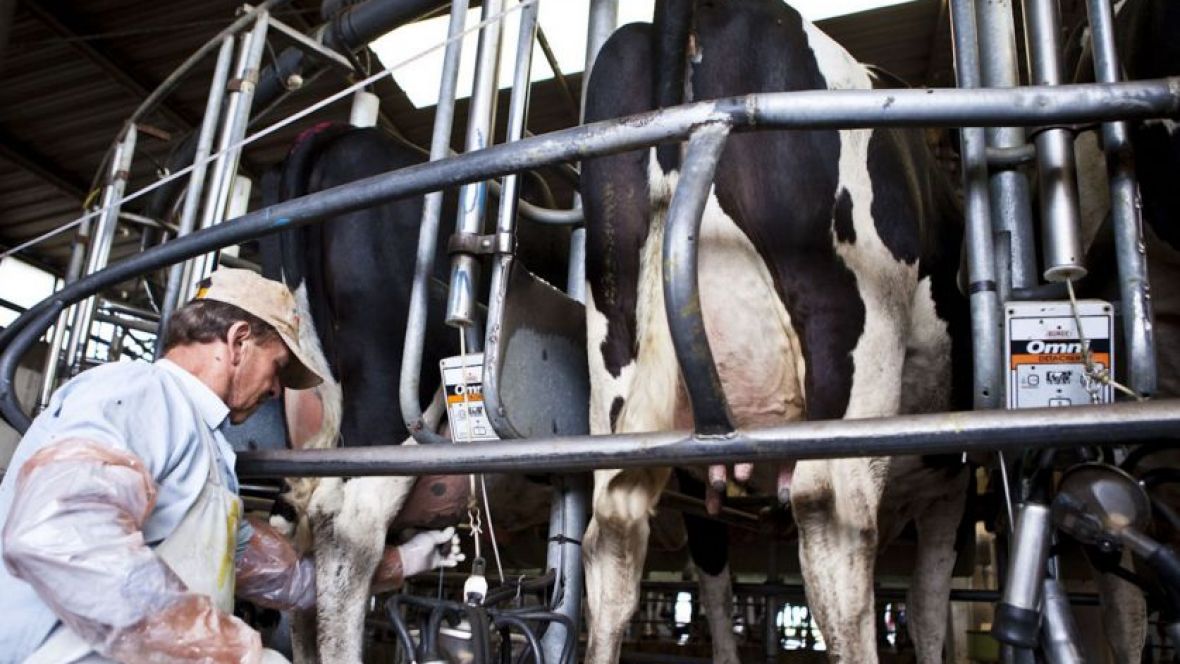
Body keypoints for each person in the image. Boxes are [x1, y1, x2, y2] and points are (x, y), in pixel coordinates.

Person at [0, 269, 462, 664]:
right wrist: (229, 651)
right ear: (239, 341)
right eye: (278, 369)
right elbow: (59, 536)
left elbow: (290, 581)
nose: (278, 392)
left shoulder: (207, 448)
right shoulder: (140, 394)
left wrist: (407, 560)